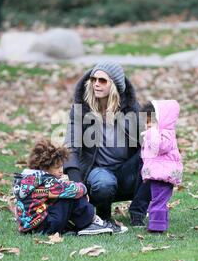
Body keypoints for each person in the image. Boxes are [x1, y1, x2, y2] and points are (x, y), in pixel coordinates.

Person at [63, 61, 151, 231]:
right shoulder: (81, 109)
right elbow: (70, 146)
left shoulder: (131, 109)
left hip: (126, 172)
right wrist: (77, 185)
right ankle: (104, 217)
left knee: (153, 157)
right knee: (104, 183)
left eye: (102, 80)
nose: (96, 83)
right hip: (98, 172)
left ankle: (138, 213)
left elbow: (147, 142)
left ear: (115, 85)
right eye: (93, 79)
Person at [12, 139, 113, 236]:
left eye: (61, 166)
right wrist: (84, 189)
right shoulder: (47, 181)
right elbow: (73, 190)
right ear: (44, 167)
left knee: (62, 193)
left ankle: (87, 222)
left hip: (28, 228)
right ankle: (91, 222)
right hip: (46, 226)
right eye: (57, 167)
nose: (61, 170)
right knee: (70, 195)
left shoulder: (28, 179)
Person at [140, 100, 183, 233]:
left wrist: (150, 133)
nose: (148, 126)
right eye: (146, 122)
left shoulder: (165, 133)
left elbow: (161, 147)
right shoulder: (157, 133)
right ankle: (159, 223)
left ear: (161, 120)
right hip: (158, 172)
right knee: (158, 200)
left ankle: (156, 227)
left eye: (151, 122)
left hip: (163, 174)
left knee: (158, 201)